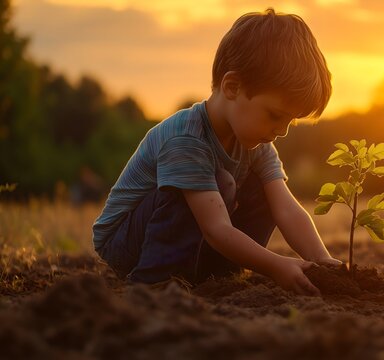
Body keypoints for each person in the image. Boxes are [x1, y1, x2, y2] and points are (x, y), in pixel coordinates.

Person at [92, 8, 341, 296]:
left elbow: (286, 208)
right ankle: (156, 281)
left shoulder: (256, 144)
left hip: (197, 234)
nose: (282, 130)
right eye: (275, 115)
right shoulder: (186, 138)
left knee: (265, 190)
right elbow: (215, 229)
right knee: (219, 182)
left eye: (290, 120)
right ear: (232, 86)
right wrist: (275, 265)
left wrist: (321, 259)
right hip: (127, 243)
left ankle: (217, 275)